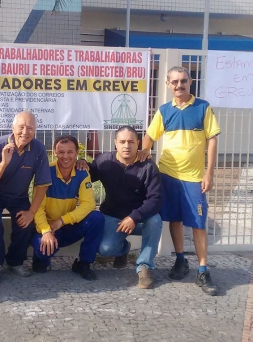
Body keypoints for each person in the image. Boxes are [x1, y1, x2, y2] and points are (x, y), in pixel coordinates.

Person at [139, 66, 221, 296]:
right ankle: (181, 260)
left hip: (194, 178)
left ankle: (203, 270)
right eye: (174, 82)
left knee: (198, 223)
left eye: (183, 81)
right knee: (174, 219)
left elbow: (212, 140)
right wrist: (144, 152)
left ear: (190, 81)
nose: (179, 85)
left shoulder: (203, 108)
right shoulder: (164, 110)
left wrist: (209, 173)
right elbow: (149, 136)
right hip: (168, 175)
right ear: (168, 84)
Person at [0, 111, 52, 284]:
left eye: (30, 128)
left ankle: (15, 261)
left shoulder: (38, 149)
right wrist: (4, 163)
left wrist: (31, 212)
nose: (25, 132)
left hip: (18, 195)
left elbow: (42, 184)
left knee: (26, 223)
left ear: (35, 130)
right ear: (12, 128)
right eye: (21, 127)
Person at [88, 126, 163, 288]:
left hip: (140, 220)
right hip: (113, 216)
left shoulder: (148, 166)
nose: (126, 146)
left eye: (131, 142)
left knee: (155, 221)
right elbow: (87, 175)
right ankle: (123, 250)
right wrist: (80, 164)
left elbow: (155, 199)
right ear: (115, 143)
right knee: (106, 249)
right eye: (122, 142)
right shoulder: (104, 161)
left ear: (138, 143)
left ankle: (144, 266)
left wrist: (134, 217)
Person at [31, 135, 104, 280]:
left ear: (77, 153)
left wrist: (63, 220)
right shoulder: (45, 171)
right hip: (49, 226)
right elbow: (38, 207)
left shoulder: (83, 173)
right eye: (61, 152)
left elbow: (88, 204)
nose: (66, 156)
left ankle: (83, 264)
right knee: (42, 249)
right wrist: (46, 231)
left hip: (68, 224)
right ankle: (40, 259)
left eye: (70, 152)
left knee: (97, 218)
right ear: (55, 152)